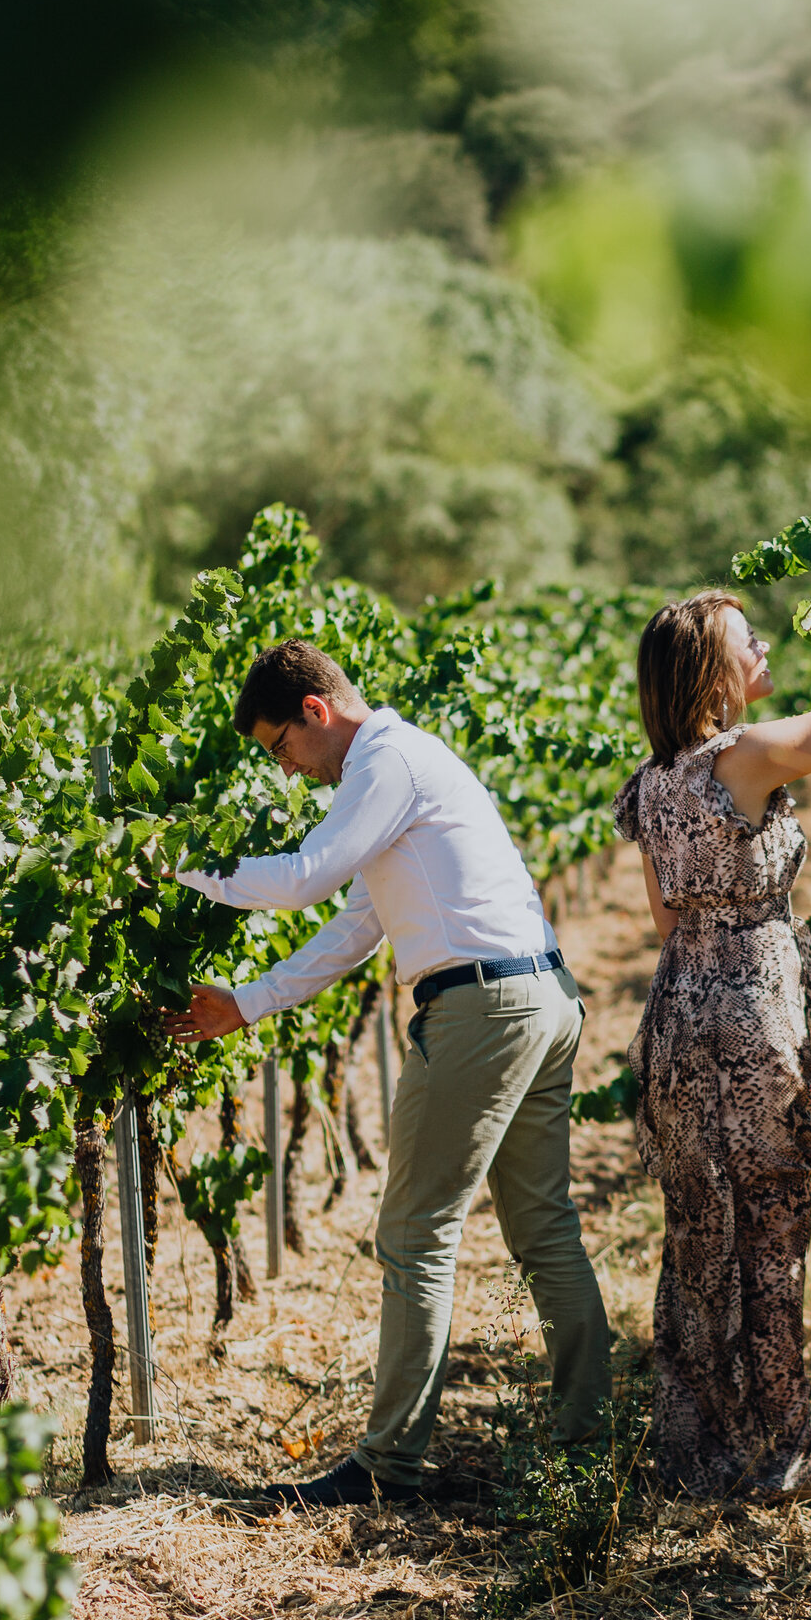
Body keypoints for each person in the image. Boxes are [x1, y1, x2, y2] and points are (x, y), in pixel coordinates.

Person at [167, 639, 610, 1507]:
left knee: (415, 1234)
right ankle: (588, 1449)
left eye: (280, 749)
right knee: (545, 1227)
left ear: (314, 713)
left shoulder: (386, 761)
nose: (288, 772)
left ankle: (388, 1467)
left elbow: (302, 879)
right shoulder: (406, 768)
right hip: (538, 996)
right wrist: (250, 1002)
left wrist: (172, 863)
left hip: (485, 1009)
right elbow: (357, 926)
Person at [615, 558, 811, 1499]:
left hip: (680, 1016)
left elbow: (668, 922)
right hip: (749, 1019)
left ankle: (706, 1446)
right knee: (774, 1227)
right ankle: (789, 1449)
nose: (767, 647)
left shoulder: (654, 784)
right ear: (715, 670)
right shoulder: (741, 758)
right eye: (751, 639)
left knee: (703, 1233)